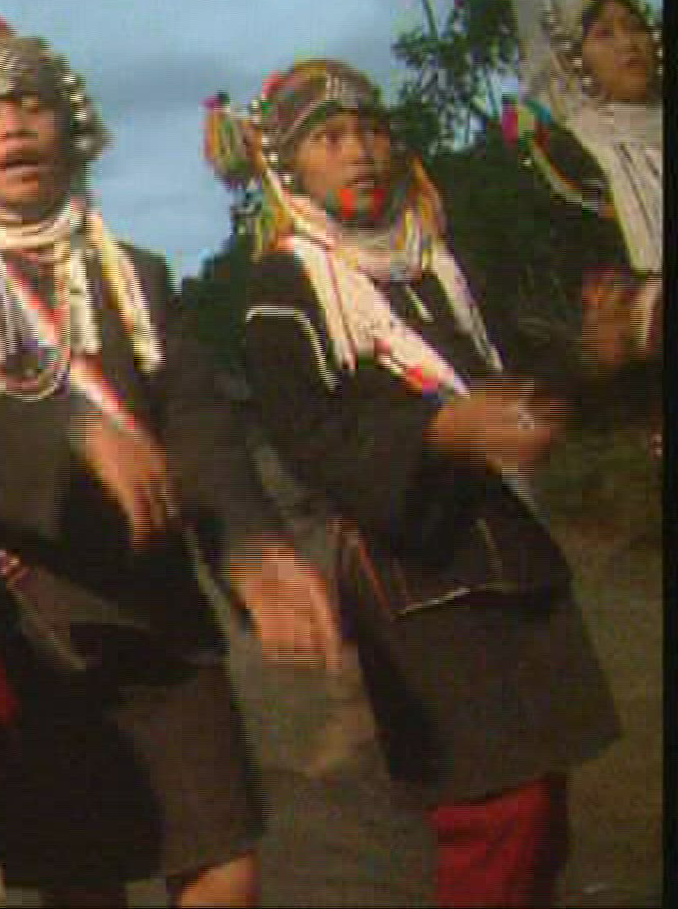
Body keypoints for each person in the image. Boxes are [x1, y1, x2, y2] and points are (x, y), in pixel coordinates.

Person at [0, 13, 341, 907]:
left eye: (33, 105)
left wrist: (251, 546)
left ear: (72, 126)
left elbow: (198, 420)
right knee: (81, 885)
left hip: (161, 611)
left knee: (225, 869)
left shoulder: (136, 275)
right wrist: (76, 439)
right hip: (36, 626)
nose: (14, 125)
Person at [207, 58, 620, 908]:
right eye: (328, 138)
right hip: (417, 579)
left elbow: (511, 382)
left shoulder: (434, 263)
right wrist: (437, 432)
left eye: (370, 130)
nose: (359, 150)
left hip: (510, 552)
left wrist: (589, 358)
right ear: (288, 168)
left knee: (543, 812)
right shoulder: (286, 286)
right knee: (494, 817)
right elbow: (312, 442)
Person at [505, 0, 663, 418]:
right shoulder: (566, 155)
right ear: (573, 56)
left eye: (635, 27)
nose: (628, 44)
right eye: (604, 34)